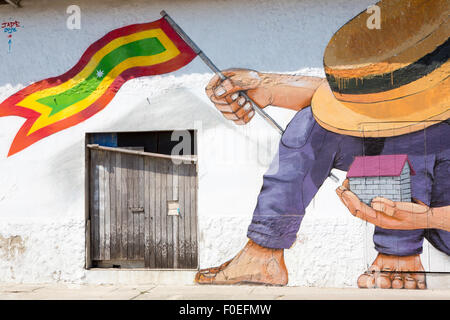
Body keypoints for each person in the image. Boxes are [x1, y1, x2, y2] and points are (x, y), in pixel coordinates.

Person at [195, 0, 449, 289]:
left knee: (421, 130)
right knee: (315, 122)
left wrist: (423, 219)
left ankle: (398, 253)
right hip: (421, 199)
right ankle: (263, 254)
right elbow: (349, 100)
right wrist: (263, 84)